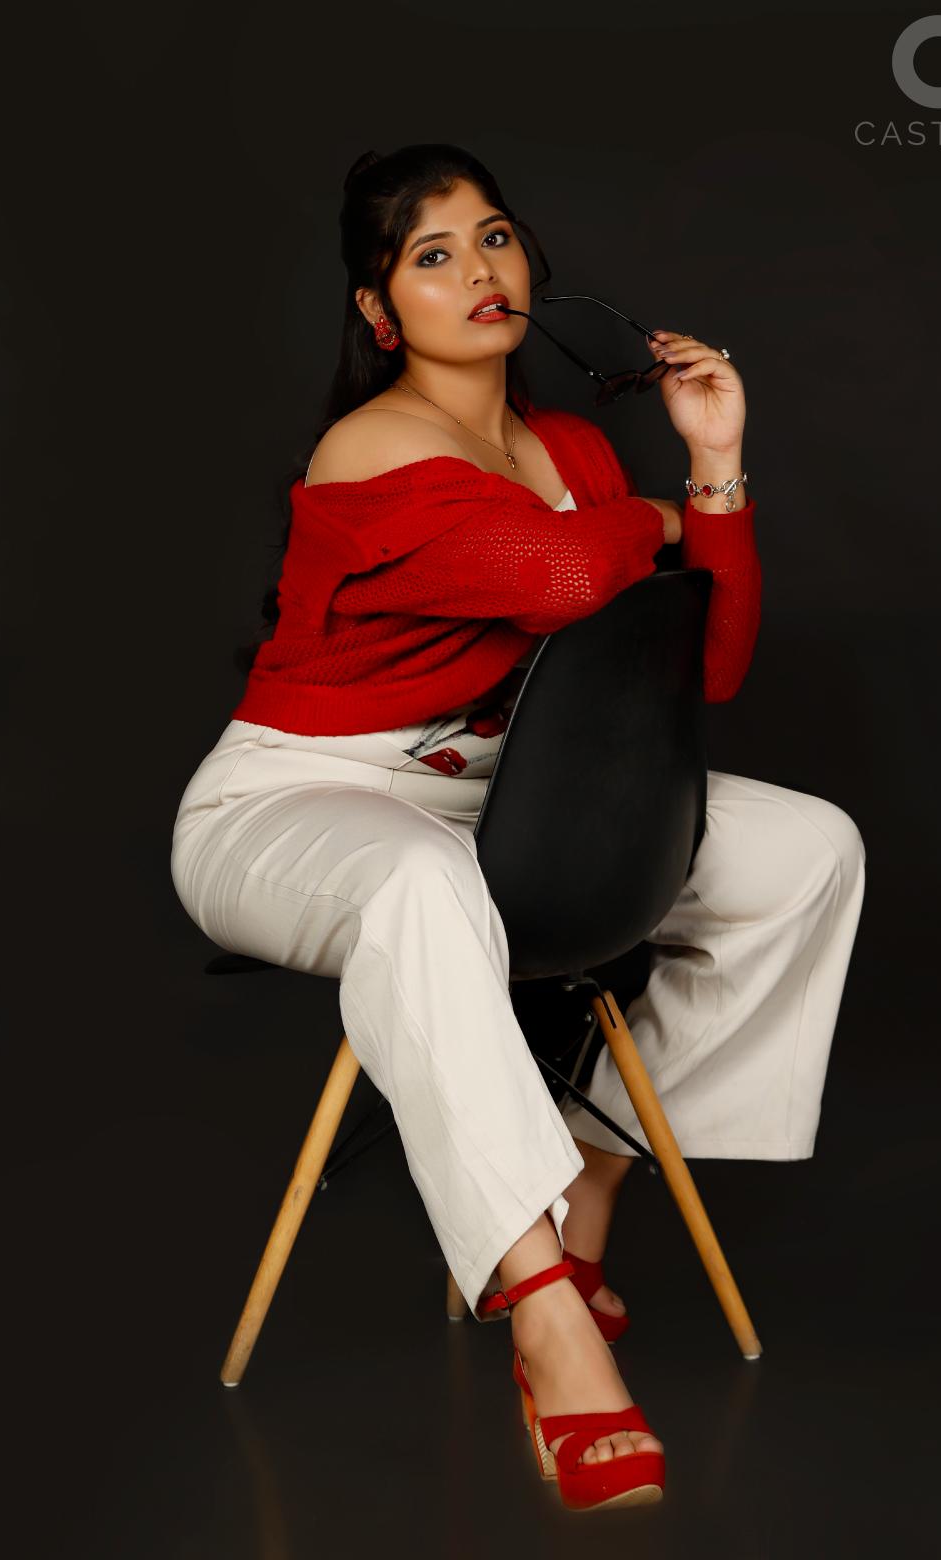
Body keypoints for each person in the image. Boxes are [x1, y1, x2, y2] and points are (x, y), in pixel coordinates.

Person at [170, 143, 865, 1512]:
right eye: (432, 256)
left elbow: (711, 663)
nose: (479, 271)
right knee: (420, 886)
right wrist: (660, 517)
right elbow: (554, 577)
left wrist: (714, 463)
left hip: (494, 789)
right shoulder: (369, 446)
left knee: (808, 852)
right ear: (380, 310)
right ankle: (542, 1311)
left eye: (493, 237)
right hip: (293, 800)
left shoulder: (579, 450)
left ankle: (588, 1192)